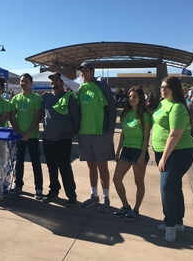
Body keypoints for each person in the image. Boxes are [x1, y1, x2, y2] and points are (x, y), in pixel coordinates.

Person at [152, 76, 193, 242]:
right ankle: (178, 222)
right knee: (174, 187)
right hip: (163, 151)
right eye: (162, 87)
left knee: (167, 188)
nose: (163, 90)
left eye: (167, 87)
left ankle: (170, 226)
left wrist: (164, 158)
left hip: (179, 152)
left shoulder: (178, 107)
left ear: (175, 89)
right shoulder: (163, 103)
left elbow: (175, 134)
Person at [76, 62, 117, 212]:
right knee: (91, 165)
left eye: (86, 70)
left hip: (101, 133)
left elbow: (112, 109)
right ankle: (94, 195)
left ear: (92, 71)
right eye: (82, 71)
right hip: (85, 133)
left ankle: (106, 197)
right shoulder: (81, 88)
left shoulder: (102, 87)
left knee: (102, 165)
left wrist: (111, 131)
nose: (83, 73)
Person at [42, 72, 81, 206]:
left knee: (64, 168)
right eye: (52, 80)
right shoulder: (46, 98)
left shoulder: (69, 97)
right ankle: (53, 191)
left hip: (63, 139)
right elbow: (44, 115)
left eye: (57, 80)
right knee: (51, 167)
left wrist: (71, 133)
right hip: (48, 139)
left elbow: (76, 117)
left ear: (62, 82)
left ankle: (71, 195)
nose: (54, 82)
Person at [113, 86, 151, 221]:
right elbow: (123, 134)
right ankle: (126, 206)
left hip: (138, 151)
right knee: (116, 179)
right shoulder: (125, 114)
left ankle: (136, 210)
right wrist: (117, 151)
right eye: (129, 96)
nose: (131, 99)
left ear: (140, 98)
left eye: (134, 96)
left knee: (138, 181)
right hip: (126, 151)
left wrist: (142, 155)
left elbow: (146, 137)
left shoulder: (145, 115)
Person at [9, 73, 43, 199]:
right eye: (22, 81)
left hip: (32, 136)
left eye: (26, 81)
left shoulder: (36, 98)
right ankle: (18, 185)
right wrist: (17, 131)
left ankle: (38, 188)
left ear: (31, 83)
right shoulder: (15, 99)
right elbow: (12, 117)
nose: (24, 83)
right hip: (19, 136)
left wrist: (28, 133)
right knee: (19, 162)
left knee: (36, 162)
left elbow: (38, 117)